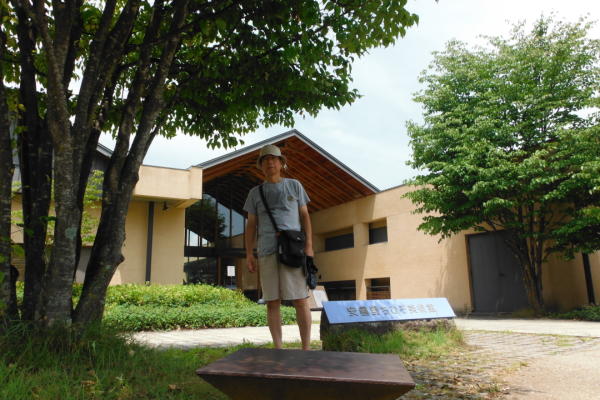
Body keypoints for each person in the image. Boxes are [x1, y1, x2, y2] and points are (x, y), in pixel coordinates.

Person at [243, 144, 313, 350]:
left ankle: (306, 349)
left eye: (274, 159)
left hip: (293, 251)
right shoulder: (255, 193)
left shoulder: (294, 185)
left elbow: (305, 216)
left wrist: (309, 245)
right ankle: (278, 349)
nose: (270, 163)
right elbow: (251, 225)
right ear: (261, 166)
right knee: (272, 301)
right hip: (266, 251)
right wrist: (249, 253)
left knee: (301, 299)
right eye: (265, 160)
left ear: (281, 163)